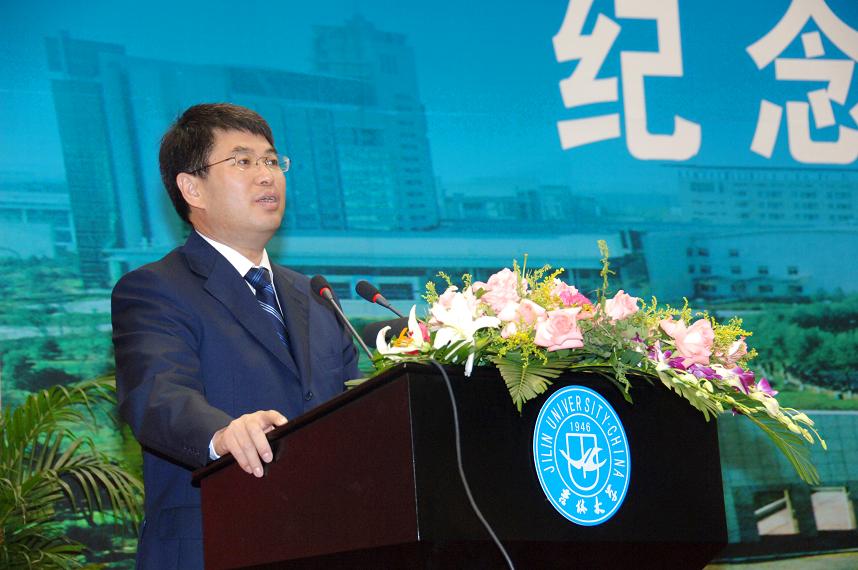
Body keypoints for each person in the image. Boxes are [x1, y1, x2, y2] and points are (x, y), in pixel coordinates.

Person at [112, 103, 360, 569]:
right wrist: (222, 433)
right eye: (243, 161)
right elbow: (157, 395)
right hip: (214, 543)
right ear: (192, 188)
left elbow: (356, 411)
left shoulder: (316, 297)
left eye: (272, 161)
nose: (267, 176)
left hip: (326, 541)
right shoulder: (155, 289)